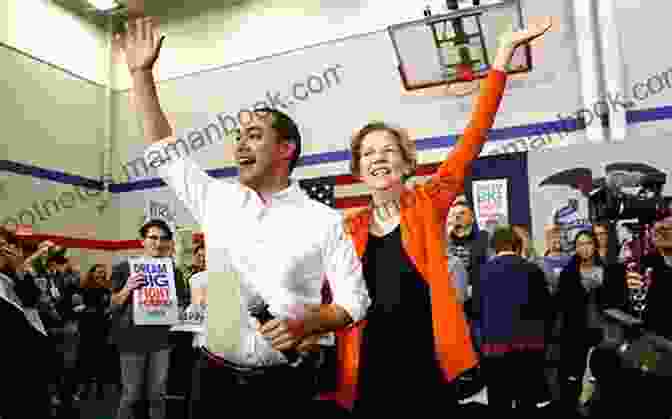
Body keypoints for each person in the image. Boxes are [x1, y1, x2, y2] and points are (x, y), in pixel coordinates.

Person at [116, 16, 370, 417]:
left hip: (284, 387)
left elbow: (355, 301)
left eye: (253, 135)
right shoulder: (215, 198)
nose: (239, 146)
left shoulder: (324, 221)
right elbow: (162, 151)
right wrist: (141, 75)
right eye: (238, 137)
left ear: (286, 149)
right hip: (211, 381)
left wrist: (310, 323)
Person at [331, 17, 554, 415]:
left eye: (387, 150)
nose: (378, 158)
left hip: (427, 369)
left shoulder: (427, 201)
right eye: (368, 153)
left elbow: (475, 133)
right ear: (359, 169)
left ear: (404, 164)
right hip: (366, 373)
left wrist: (502, 54)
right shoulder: (346, 228)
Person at [109, 219, 188, 419]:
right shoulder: (123, 268)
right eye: (152, 237)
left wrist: (180, 310)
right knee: (131, 395)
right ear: (142, 241)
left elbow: (182, 304)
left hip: (161, 340)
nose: (158, 242)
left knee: (157, 394)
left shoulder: (174, 272)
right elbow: (113, 305)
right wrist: (128, 287)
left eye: (163, 238)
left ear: (168, 243)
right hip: (131, 339)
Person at [479, 225, 551, 414]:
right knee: (526, 401)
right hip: (529, 347)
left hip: (495, 348)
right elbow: (545, 309)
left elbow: (476, 310)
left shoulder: (484, 272)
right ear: (518, 246)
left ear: (494, 247)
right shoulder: (533, 270)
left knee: (499, 402)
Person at [556, 229, 609, 414]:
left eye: (588, 243)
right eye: (580, 244)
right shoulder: (568, 273)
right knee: (574, 379)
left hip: (603, 331)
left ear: (594, 245)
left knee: (601, 377)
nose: (584, 248)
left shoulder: (607, 270)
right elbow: (562, 304)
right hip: (575, 332)